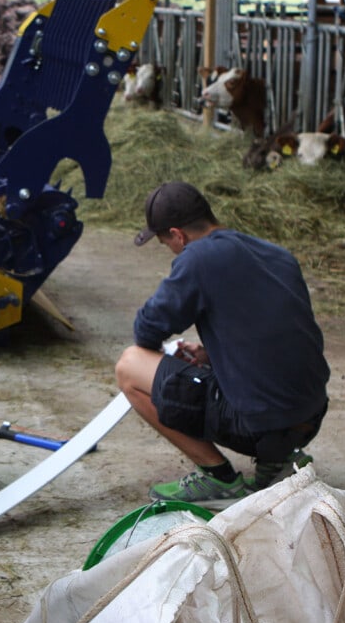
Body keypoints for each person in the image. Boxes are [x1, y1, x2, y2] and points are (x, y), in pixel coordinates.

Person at [114, 181, 329, 510]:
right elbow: (278, 333)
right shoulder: (275, 254)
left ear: (178, 235)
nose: (171, 250)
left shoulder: (197, 258)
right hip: (309, 415)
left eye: (165, 242)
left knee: (130, 366)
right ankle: (278, 463)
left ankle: (218, 477)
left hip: (260, 427)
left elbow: (146, 331)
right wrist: (211, 354)